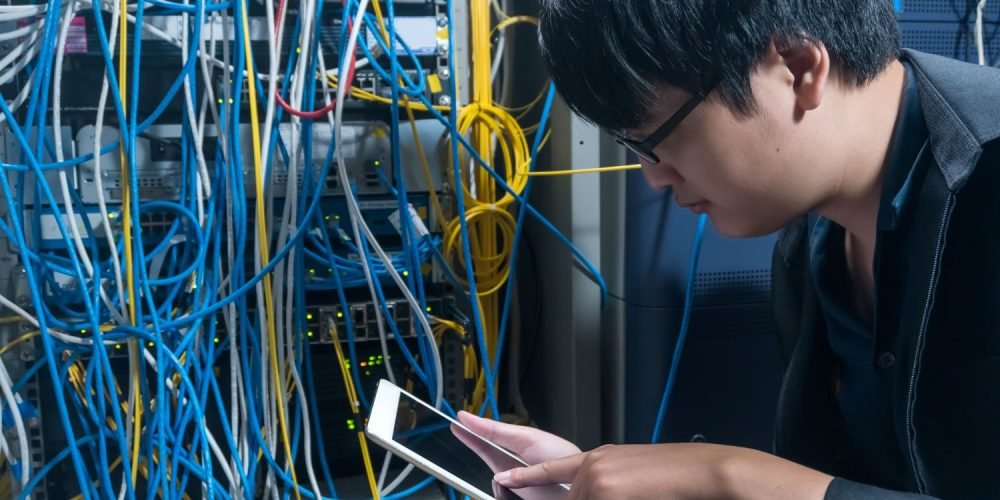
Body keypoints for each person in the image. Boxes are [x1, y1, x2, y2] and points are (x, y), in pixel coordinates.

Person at [457, 1, 1000, 499]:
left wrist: (730, 478)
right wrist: (591, 481)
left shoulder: (985, 180)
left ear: (797, 67)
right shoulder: (810, 239)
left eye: (656, 141)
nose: (655, 179)